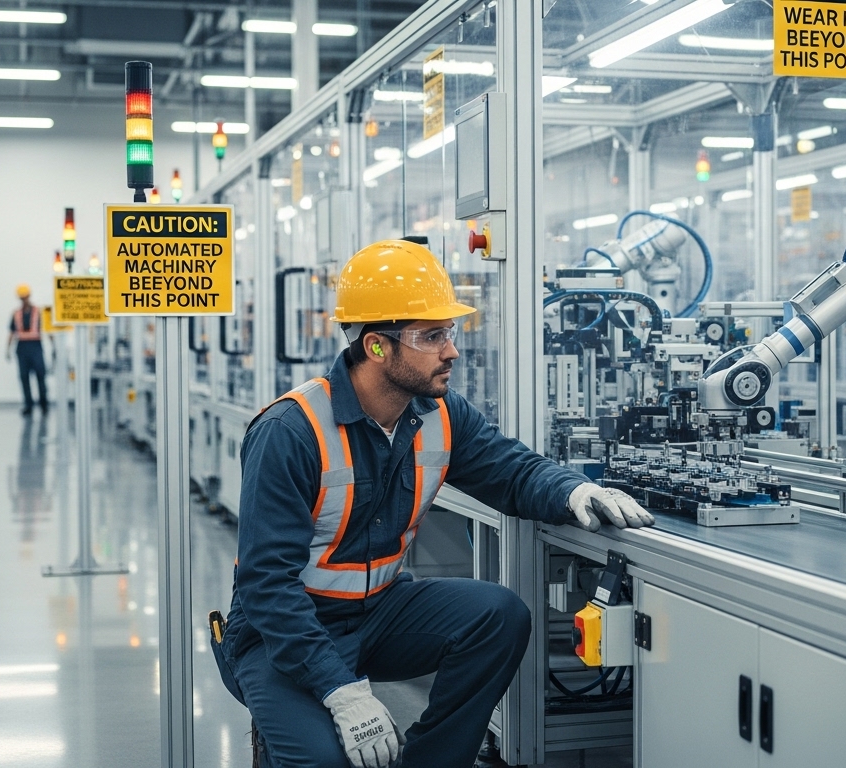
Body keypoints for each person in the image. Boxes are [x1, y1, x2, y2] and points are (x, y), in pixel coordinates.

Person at [221, 239, 655, 768]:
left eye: (449, 332)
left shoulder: (440, 413)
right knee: (325, 760)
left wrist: (574, 490)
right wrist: (343, 692)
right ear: (378, 347)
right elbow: (267, 585)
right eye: (432, 336)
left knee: (498, 616)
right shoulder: (291, 432)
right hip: (282, 633)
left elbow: (511, 470)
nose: (452, 350)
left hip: (378, 611)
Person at [7, 284, 49, 415]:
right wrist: (7, 349)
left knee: (40, 376)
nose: (24, 300)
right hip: (22, 348)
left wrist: (54, 347)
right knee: (24, 378)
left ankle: (43, 404)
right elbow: (12, 332)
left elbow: (47, 329)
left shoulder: (39, 311)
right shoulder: (16, 314)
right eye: (22, 298)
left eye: (25, 297)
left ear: (29, 296)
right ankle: (28, 405)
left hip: (36, 346)